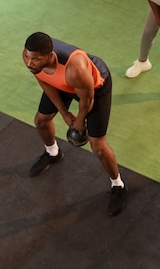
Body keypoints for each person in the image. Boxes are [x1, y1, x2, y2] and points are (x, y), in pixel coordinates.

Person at [22, 32, 127, 216]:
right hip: (61, 83)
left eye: (35, 59)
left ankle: (118, 185)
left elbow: (86, 101)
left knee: (98, 145)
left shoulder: (75, 69)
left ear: (50, 55)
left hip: (93, 88)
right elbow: (45, 82)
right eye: (29, 58)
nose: (30, 63)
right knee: (41, 120)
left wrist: (79, 122)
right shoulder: (30, 58)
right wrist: (64, 113)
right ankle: (53, 153)